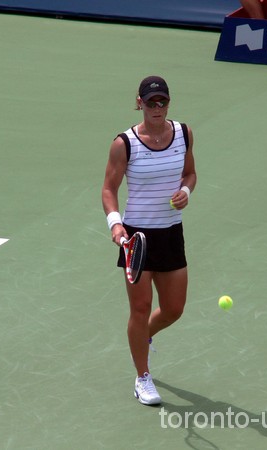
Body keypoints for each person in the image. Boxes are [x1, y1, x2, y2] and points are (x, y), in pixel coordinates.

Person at [101, 75, 197, 406]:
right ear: (139, 103)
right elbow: (108, 189)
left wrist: (185, 191)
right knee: (140, 308)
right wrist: (116, 226)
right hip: (137, 237)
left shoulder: (184, 134)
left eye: (163, 102)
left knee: (173, 309)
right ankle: (143, 377)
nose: (157, 107)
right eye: (151, 102)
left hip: (171, 233)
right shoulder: (124, 143)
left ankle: (145, 337)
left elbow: (190, 173)